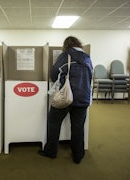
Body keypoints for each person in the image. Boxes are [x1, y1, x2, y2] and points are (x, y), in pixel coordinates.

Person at [39, 36, 93, 164]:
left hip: (66, 96)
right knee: (78, 127)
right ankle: (78, 155)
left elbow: (53, 75)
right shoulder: (87, 58)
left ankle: (51, 152)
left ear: (66, 45)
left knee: (53, 122)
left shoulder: (65, 56)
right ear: (79, 44)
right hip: (83, 98)